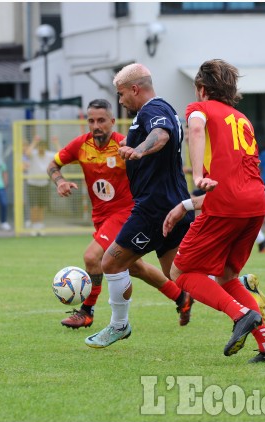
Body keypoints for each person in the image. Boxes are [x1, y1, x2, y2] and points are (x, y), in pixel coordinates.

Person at [162, 59, 265, 363]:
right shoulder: (242, 119)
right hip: (255, 205)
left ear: (202, 89)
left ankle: (240, 314)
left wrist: (197, 176)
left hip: (226, 205)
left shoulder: (198, 109)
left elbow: (196, 127)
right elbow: (235, 182)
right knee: (228, 277)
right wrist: (185, 205)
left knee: (181, 272)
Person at [48, 99, 194, 329]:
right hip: (101, 218)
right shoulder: (80, 145)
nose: (96, 125)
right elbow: (52, 165)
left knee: (91, 257)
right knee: (135, 268)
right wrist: (60, 182)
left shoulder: (125, 145)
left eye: (101, 120)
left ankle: (87, 311)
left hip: (126, 213)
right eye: (91, 121)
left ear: (112, 122)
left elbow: (152, 161)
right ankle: (181, 297)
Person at [84, 63, 195, 348]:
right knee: (180, 277)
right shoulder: (162, 109)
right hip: (172, 203)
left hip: (153, 208)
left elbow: (161, 136)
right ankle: (242, 289)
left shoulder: (151, 110)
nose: (120, 101)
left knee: (110, 261)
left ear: (135, 89)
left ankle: (119, 325)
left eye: (121, 94)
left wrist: (138, 149)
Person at [24, 136, 54, 229]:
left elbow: (61, 154)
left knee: (41, 206)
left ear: (45, 147)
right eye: (39, 147)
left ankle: (40, 224)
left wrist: (56, 142)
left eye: (43, 147)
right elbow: (27, 153)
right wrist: (34, 142)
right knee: (34, 206)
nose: (41, 149)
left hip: (44, 184)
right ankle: (34, 224)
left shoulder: (49, 155)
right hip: (32, 184)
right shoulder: (33, 153)